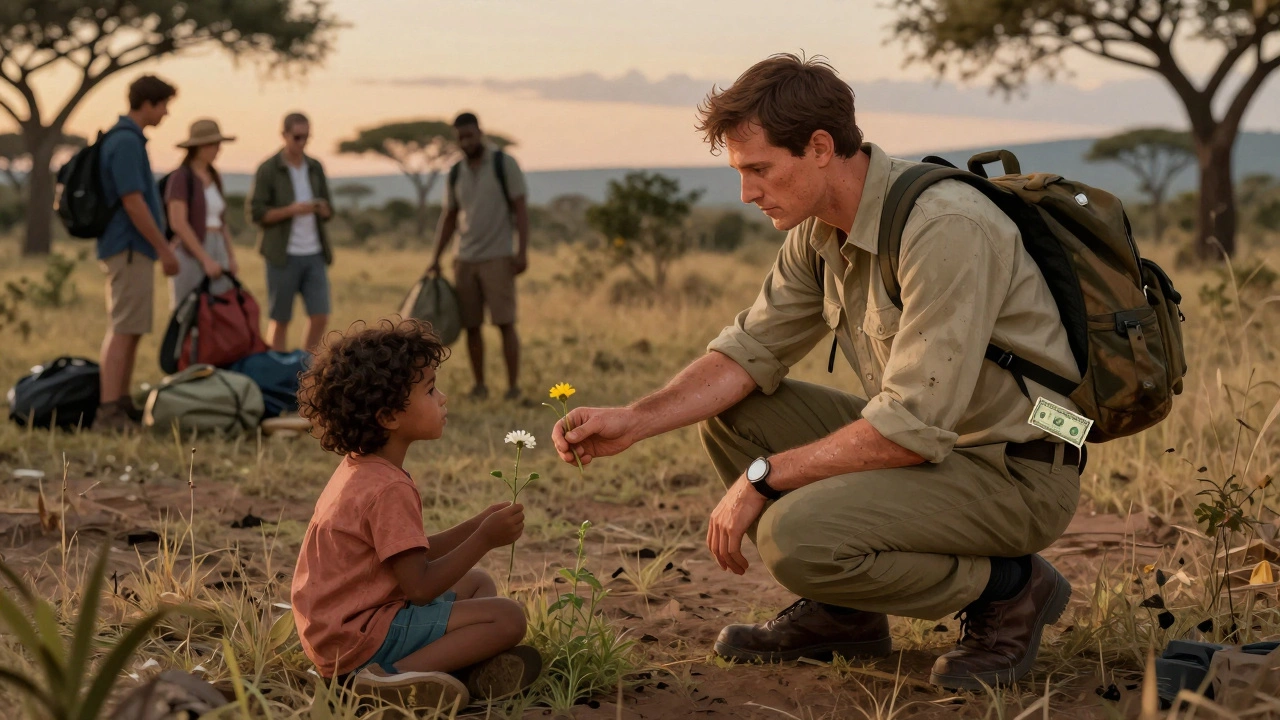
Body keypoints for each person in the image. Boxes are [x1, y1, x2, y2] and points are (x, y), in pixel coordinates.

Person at [551, 54, 1083, 692]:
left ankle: (1012, 588)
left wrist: (763, 479)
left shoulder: (944, 227)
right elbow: (747, 354)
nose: (746, 193)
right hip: (935, 452)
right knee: (735, 417)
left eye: (759, 169)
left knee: (794, 536)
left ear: (821, 147)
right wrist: (632, 420)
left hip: (1017, 469)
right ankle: (846, 613)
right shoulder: (819, 232)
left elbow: (907, 426)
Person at [290, 318, 541, 707]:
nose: (442, 398)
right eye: (429, 390)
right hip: (359, 641)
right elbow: (420, 587)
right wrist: (484, 538)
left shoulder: (363, 468)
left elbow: (408, 556)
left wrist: (475, 525)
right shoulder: (387, 488)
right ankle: (384, 683)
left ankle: (450, 673)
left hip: (341, 630)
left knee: (476, 584)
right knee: (508, 618)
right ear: (389, 417)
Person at [94, 75, 182, 432]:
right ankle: (108, 411)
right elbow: (133, 201)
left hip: (130, 247)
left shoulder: (125, 139)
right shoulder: (127, 142)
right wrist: (164, 248)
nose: (165, 113)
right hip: (129, 247)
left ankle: (120, 402)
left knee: (130, 327)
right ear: (148, 103)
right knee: (123, 328)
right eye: (163, 105)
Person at [426, 112, 530, 401]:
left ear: (480, 133)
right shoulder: (456, 171)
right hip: (464, 258)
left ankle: (513, 387)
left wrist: (521, 251)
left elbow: (520, 209)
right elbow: (449, 216)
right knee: (472, 325)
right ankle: (479, 385)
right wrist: (436, 257)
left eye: (470, 135)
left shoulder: (503, 164)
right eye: (461, 137)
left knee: (505, 322)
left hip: (498, 256)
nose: (466, 141)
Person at [248, 112, 334, 353]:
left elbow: (330, 207)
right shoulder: (269, 169)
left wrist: (323, 210)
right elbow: (256, 213)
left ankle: (305, 369)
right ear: (284, 135)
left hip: (314, 251)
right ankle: (277, 369)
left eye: (306, 137)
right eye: (297, 137)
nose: (302, 142)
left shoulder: (315, 167)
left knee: (320, 315)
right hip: (282, 254)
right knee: (280, 318)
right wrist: (292, 211)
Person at [164, 118, 240, 308]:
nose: (217, 150)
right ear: (199, 147)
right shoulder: (181, 177)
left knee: (220, 308)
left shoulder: (214, 176)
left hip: (217, 245)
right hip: (192, 248)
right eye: (212, 145)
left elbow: (221, 222)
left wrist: (230, 257)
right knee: (188, 309)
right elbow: (178, 222)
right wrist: (205, 258)